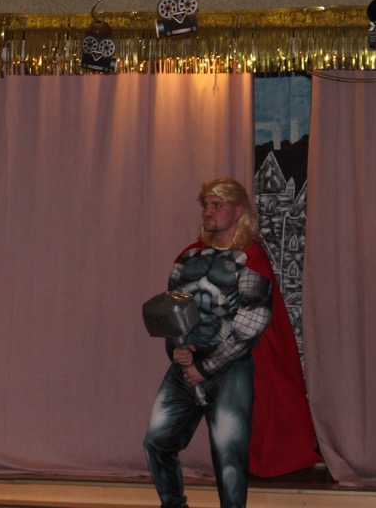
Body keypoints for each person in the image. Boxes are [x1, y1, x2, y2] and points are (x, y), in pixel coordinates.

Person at [143, 177, 274, 508]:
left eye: (217, 205)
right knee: (157, 440)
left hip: (230, 369)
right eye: (205, 205)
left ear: (238, 211)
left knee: (229, 453)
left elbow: (251, 324)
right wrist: (177, 349)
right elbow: (171, 311)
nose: (208, 211)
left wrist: (205, 368)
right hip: (187, 365)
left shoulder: (252, 259)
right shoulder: (189, 257)